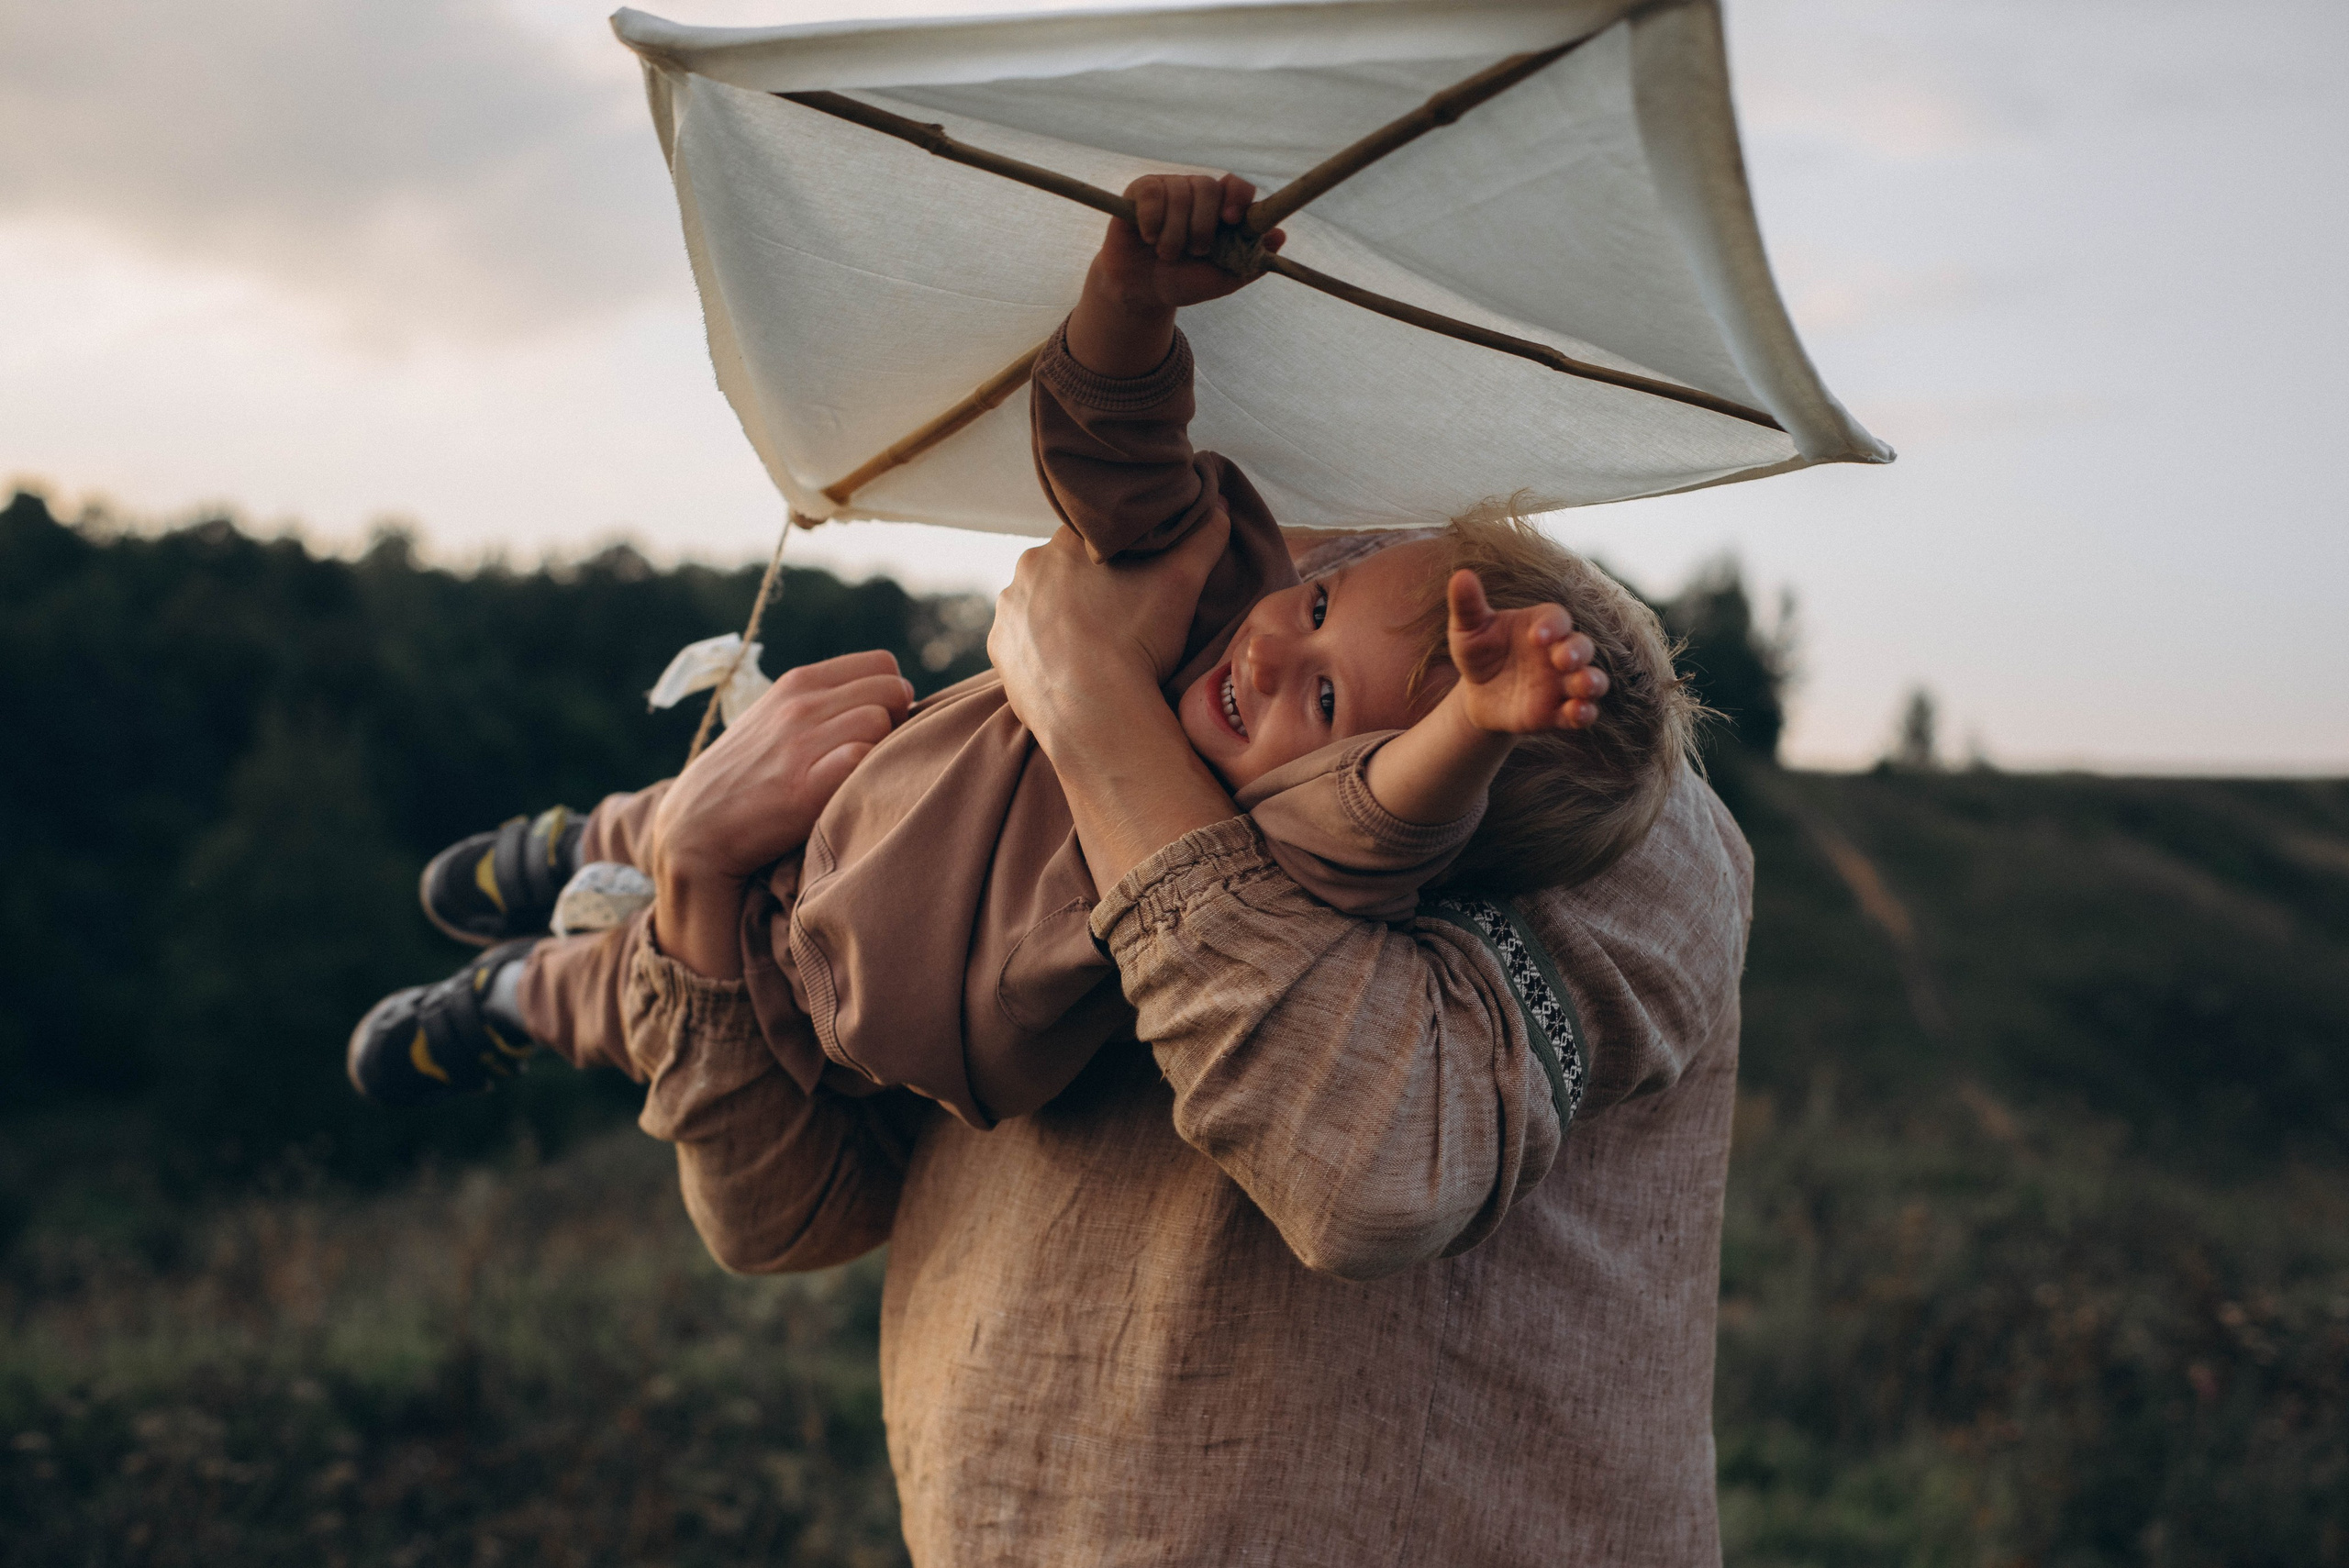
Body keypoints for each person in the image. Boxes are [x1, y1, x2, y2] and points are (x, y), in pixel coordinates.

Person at [351, 173, 1684, 1141]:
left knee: (626, 996)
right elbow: (1118, 465)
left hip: (824, 1017)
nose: (1280, 652)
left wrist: (1480, 729)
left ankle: (509, 997)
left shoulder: (1290, 851)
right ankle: (569, 839)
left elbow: (1389, 813)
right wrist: (1128, 298)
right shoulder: (1223, 602)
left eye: (1329, 699)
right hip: (848, 791)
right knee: (690, 810)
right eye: (1324, 609)